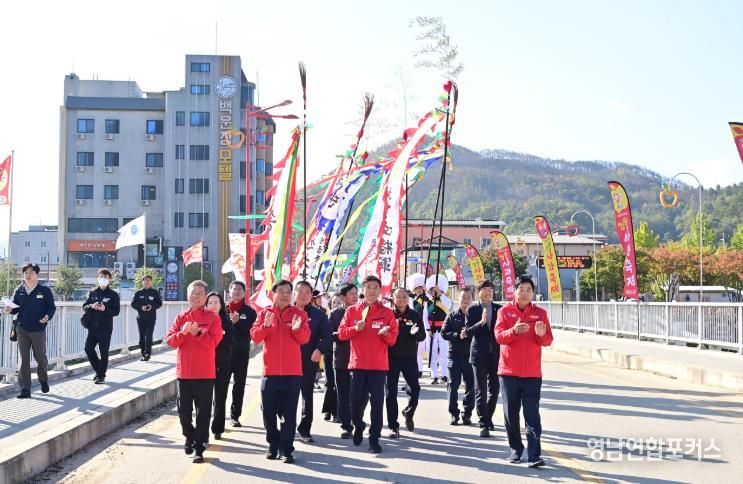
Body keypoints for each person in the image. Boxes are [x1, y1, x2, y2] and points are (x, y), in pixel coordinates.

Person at [496, 275, 553, 468]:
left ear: (533, 293)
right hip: (508, 372)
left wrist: (541, 335)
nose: (525, 293)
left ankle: (534, 455)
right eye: (522, 289)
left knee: (532, 415)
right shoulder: (504, 312)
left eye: (529, 289)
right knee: (511, 414)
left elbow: (548, 341)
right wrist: (513, 331)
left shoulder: (540, 313)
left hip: (532, 373)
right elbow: (499, 337)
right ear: (515, 291)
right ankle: (516, 450)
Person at [250, 279, 310, 464]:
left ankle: (286, 449)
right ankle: (272, 444)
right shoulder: (264, 314)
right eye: (281, 291)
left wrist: (297, 330)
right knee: (268, 412)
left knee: (289, 414)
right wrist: (266, 326)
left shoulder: (299, 314)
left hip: (293, 373)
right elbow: (255, 337)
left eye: (288, 292)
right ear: (273, 294)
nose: (285, 295)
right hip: (270, 372)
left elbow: (305, 339)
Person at [338, 275, 399, 454]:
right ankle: (358, 425)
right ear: (363, 290)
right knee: (355, 402)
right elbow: (341, 334)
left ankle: (374, 438)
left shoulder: (387, 313)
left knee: (377, 404)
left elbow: (393, 340)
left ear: (380, 291)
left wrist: (385, 333)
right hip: (357, 365)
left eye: (375, 287)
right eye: (369, 287)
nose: (372, 291)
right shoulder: (352, 311)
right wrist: (354, 329)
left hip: (378, 366)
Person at [166, 280, 223, 463]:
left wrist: (198, 333)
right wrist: (183, 333)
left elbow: (213, 343)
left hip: (205, 374)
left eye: (199, 293)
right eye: (193, 293)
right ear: (187, 295)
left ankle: (199, 448)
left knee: (203, 413)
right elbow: (170, 341)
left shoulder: (213, 318)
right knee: (183, 412)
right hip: (184, 373)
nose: (196, 296)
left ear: (205, 297)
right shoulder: (181, 317)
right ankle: (189, 435)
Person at [6, 263, 56, 398]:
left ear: (37, 274)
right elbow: (15, 308)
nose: (28, 275)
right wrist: (9, 309)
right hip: (21, 328)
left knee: (41, 358)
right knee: (24, 359)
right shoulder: (19, 290)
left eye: (31, 272)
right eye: (26, 273)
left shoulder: (44, 290)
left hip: (38, 329)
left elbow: (51, 307)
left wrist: (47, 316)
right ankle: (25, 388)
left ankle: (43, 380)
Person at [294, 281, 332, 443]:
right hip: (287, 362)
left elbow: (328, 336)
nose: (303, 295)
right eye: (300, 291)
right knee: (285, 397)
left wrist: (319, 350)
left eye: (307, 292)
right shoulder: (286, 311)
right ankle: (286, 427)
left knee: (306, 397)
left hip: (308, 361)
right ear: (294, 293)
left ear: (311, 295)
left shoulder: (318, 315)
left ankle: (304, 430)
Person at [464, 279, 502, 437]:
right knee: (481, 390)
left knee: (495, 390)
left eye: (490, 290)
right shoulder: (472, 309)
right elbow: (467, 331)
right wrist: (481, 323)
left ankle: (488, 417)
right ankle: (483, 423)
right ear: (478, 292)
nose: (488, 292)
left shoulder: (499, 309)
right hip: (479, 354)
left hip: (496, 355)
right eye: (485, 289)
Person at [386, 287, 425, 438]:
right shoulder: (388, 314)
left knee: (415, 389)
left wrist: (415, 334)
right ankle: (393, 426)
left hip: (409, 358)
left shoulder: (415, 315)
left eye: (404, 296)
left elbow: (422, 335)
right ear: (393, 299)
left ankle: (408, 412)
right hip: (391, 358)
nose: (401, 299)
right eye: (398, 297)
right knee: (391, 393)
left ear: (408, 298)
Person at [441, 286, 475, 426]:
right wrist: (457, 336)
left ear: (472, 299)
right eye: (463, 297)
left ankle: (467, 413)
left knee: (471, 386)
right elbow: (444, 333)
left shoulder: (476, 316)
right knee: (452, 385)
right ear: (458, 299)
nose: (465, 300)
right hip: (454, 356)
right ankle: (454, 414)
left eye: (468, 297)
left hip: (470, 357)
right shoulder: (451, 316)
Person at [329, 283, 359, 439]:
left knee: (360, 395)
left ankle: (357, 419)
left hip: (360, 360)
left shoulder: (362, 311)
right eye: (351, 293)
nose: (355, 296)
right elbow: (329, 335)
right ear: (342, 297)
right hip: (341, 359)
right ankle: (347, 426)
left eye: (356, 293)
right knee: (343, 394)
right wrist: (346, 333)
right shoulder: (335, 314)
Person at [82, 268, 121, 384]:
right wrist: (91, 306)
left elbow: (116, 311)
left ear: (110, 279)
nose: (103, 279)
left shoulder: (113, 295)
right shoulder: (93, 293)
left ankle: (101, 376)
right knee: (88, 349)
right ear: (98, 278)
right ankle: (99, 371)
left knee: (104, 352)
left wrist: (105, 309)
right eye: (101, 277)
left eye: (105, 277)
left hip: (105, 328)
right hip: (92, 327)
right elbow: (84, 306)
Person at [227, 281, 257, 427]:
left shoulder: (250, 311)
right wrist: (230, 323)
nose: (237, 291)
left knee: (239, 385)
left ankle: (235, 416)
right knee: (220, 386)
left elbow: (252, 331)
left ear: (244, 292)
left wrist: (238, 322)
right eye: (234, 289)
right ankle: (218, 417)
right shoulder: (223, 309)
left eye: (240, 289)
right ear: (230, 291)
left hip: (241, 354)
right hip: (224, 354)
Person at [206, 291, 234, 441]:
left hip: (221, 363)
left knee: (220, 396)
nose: (213, 305)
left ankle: (217, 428)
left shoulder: (226, 321)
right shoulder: (202, 319)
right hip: (204, 363)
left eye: (216, 302)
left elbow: (228, 342)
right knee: (204, 398)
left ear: (221, 305)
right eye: (210, 302)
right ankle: (202, 430)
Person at [426, 274, 451, 384]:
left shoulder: (445, 300)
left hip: (443, 330)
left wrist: (440, 294)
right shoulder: (428, 302)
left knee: (444, 354)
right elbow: (424, 317)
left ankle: (444, 374)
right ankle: (434, 375)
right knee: (432, 354)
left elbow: (449, 305)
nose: (433, 292)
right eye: (432, 290)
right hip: (431, 331)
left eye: (435, 289)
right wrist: (428, 330)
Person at [131, 274, 163, 361]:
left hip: (151, 318)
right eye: (145, 280)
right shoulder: (138, 293)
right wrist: (141, 307)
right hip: (140, 318)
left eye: (149, 280)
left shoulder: (155, 292)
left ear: (151, 282)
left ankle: (148, 353)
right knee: (141, 337)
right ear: (143, 282)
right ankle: (143, 353)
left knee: (149, 336)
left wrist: (152, 306)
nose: (147, 282)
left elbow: (159, 303)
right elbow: (133, 304)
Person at [407, 273, 429, 377]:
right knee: (417, 350)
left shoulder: (428, 299)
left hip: (427, 327)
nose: (419, 290)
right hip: (417, 326)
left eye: (420, 287)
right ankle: (419, 369)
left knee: (428, 350)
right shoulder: (413, 300)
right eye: (417, 288)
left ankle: (434, 372)